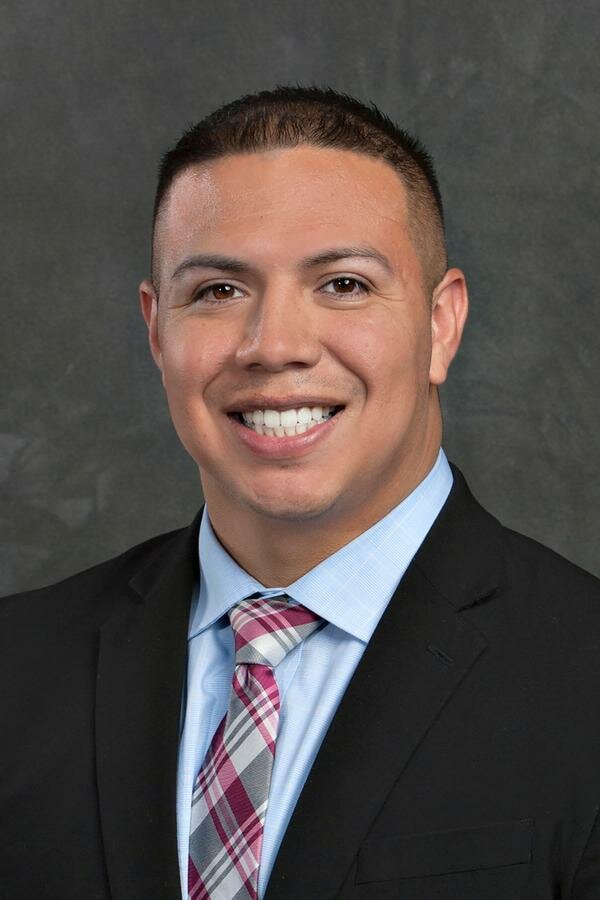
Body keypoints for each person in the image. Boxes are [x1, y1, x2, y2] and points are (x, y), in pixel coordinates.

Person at [2, 86, 600, 900]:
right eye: (219, 291)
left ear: (442, 324)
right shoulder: (18, 668)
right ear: (156, 330)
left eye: (343, 284)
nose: (274, 345)